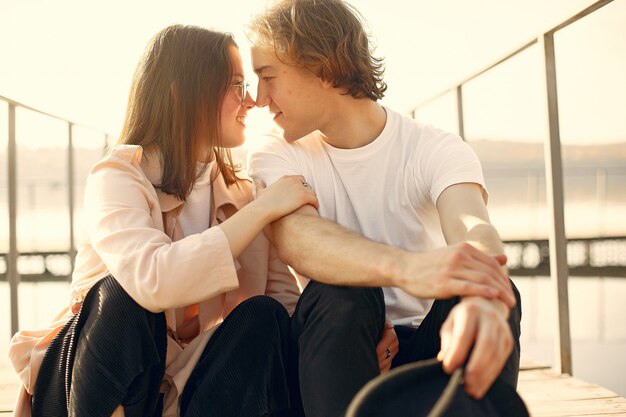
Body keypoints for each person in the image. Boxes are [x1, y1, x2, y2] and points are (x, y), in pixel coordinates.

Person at [8, 24, 320, 417]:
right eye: (236, 85)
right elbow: (153, 281)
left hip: (186, 391)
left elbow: (284, 310)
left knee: (265, 316)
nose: (252, 102)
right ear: (182, 92)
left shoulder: (244, 194)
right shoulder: (118, 176)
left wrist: (347, 339)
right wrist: (261, 212)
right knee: (125, 294)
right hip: (93, 386)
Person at [246, 1, 523, 416]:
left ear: (322, 67)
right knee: (340, 290)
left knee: (494, 287)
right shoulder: (276, 152)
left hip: (430, 349)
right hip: (333, 351)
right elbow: (297, 238)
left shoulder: (433, 147)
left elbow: (472, 225)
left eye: (268, 76)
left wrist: (486, 295)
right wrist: (408, 268)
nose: (258, 98)